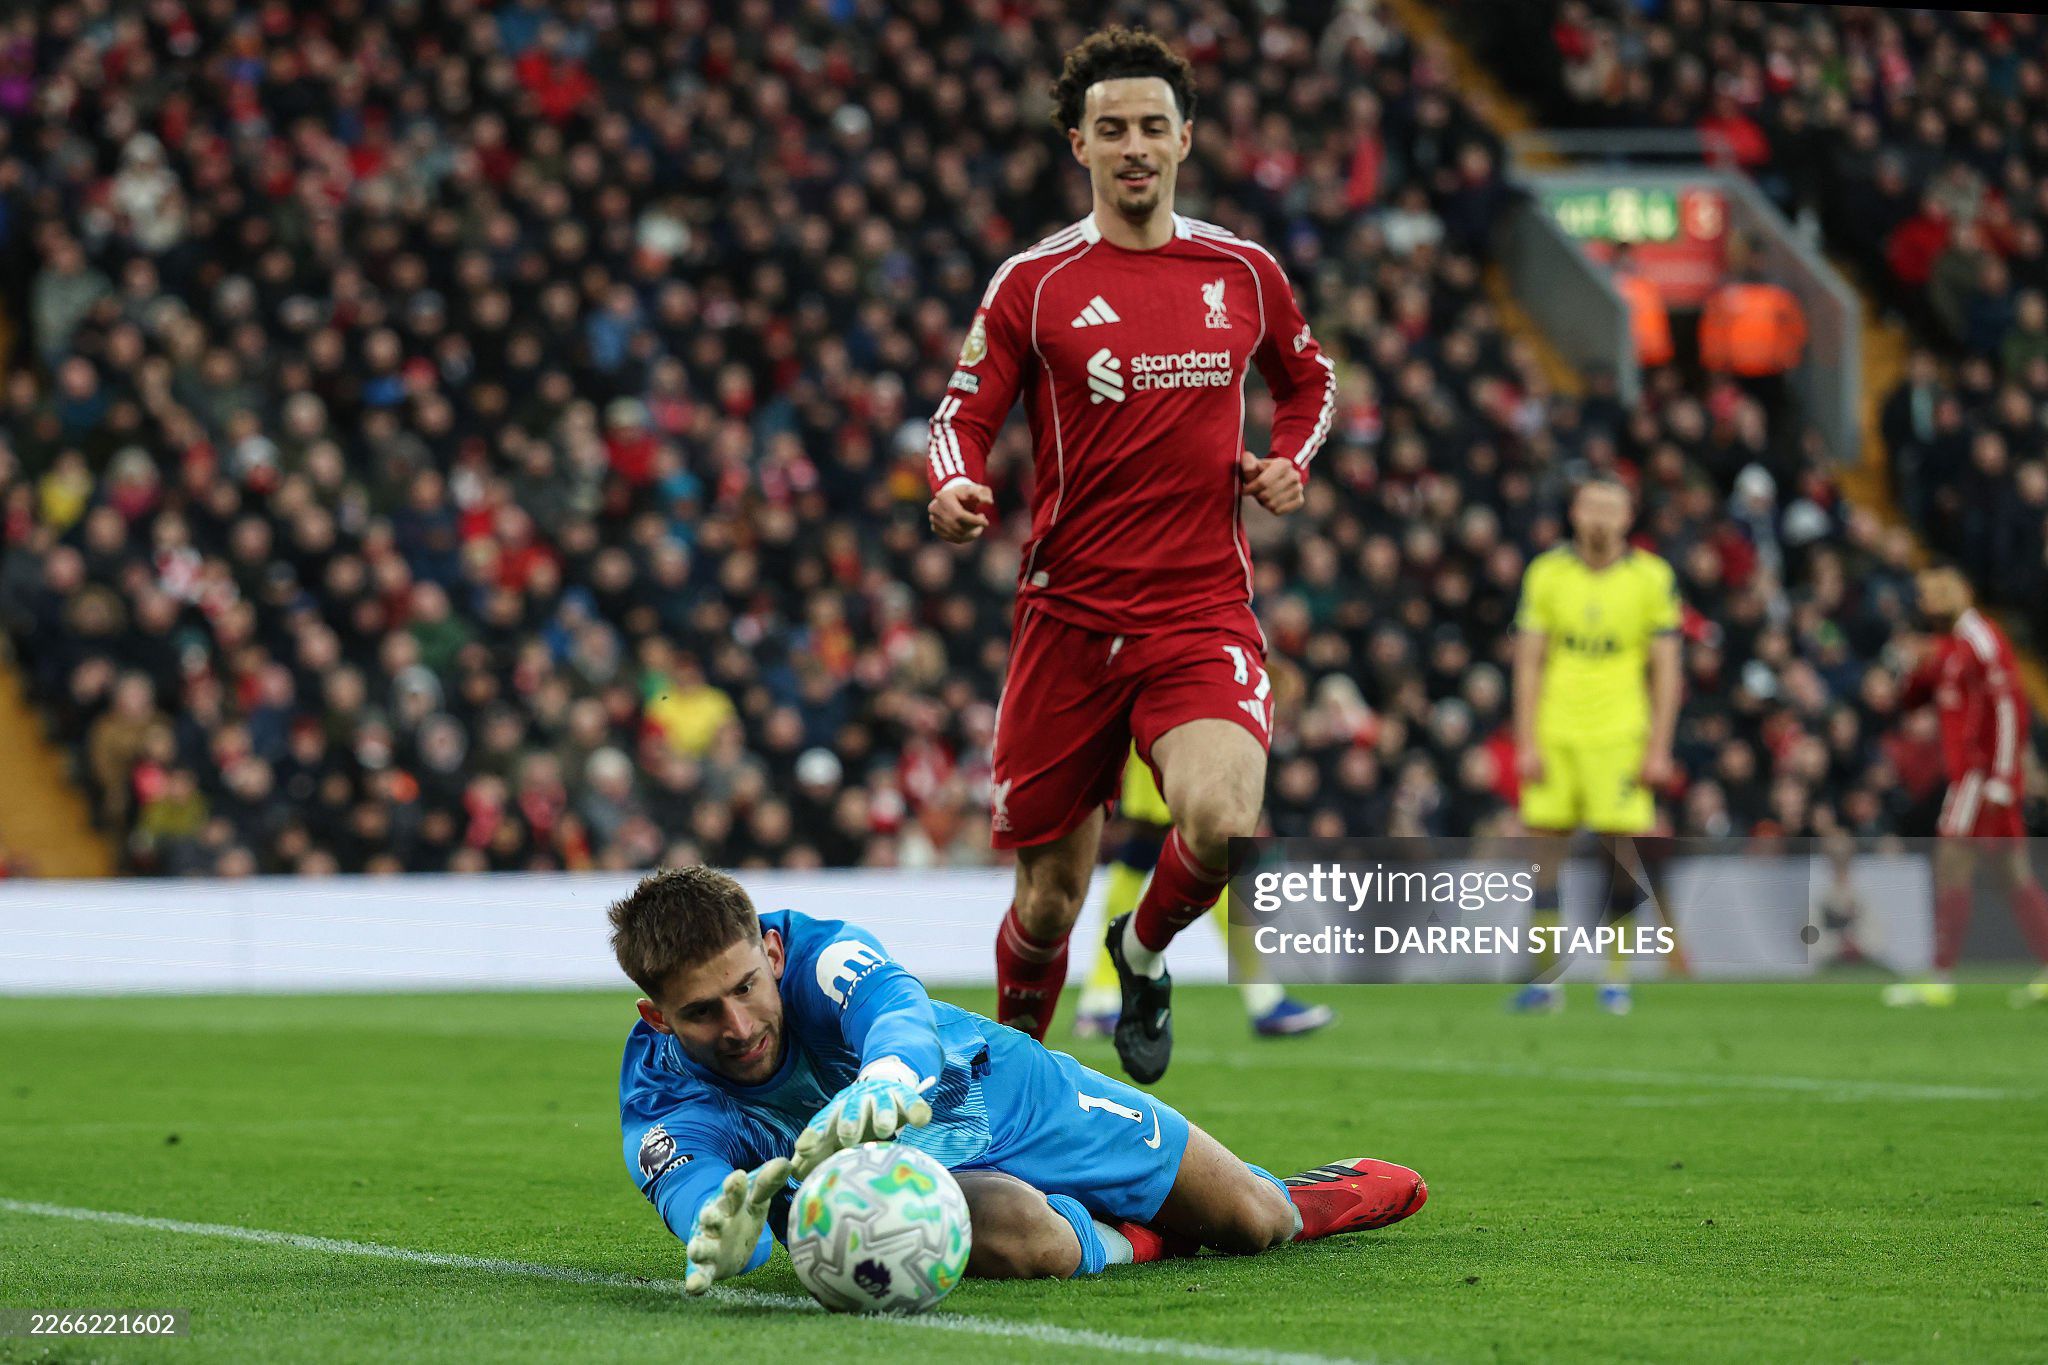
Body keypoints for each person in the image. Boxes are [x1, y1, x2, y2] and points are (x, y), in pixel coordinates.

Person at [925, 28, 1337, 1082]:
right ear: (1079, 145)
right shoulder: (1034, 283)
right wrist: (953, 481)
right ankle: (1013, 1092)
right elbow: (961, 415)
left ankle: (1143, 952)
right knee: (1046, 899)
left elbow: (1310, 381)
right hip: (1066, 621)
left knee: (1223, 821)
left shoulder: (1241, 271)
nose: (1135, 146)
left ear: (1186, 138)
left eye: (1154, 125)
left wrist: (1289, 460)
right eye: (1111, 129)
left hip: (1199, 611)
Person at [612, 867, 1426, 1294]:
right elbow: (700, 1196)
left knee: (1253, 1222)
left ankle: (1290, 1198)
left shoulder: (818, 953)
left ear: (771, 951)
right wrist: (724, 1227)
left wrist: (885, 1078)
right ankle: (1144, 1238)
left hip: (1002, 1090)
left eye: (747, 986)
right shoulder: (660, 1097)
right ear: (658, 1015)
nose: (739, 1025)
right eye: (702, 1012)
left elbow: (894, 1010)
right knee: (1019, 1234)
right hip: (913, 1176)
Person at [1509, 475, 1684, 1015]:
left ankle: (1616, 978)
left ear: (1628, 517)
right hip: (1556, 731)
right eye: (1591, 506)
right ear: (1575, 513)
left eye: (1611, 507)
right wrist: (1525, 740)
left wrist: (1659, 748)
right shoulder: (1546, 573)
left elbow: (1667, 670)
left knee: (1622, 855)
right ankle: (1547, 981)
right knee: (1544, 855)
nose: (1600, 517)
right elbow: (1529, 662)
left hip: (1620, 735)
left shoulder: (1652, 577)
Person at [1074, 750, 1335, 1039]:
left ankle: (1099, 998)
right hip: (1168, 760)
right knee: (1201, 867)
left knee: (1151, 864)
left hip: (1170, 762)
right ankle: (1264, 999)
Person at [1883, 567, 2048, 1008]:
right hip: (1974, 775)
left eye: (1933, 595)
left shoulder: (1981, 640)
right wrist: (1910, 668)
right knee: (2011, 873)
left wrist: (2002, 778)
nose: (1927, 604)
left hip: (1981, 776)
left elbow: (2010, 708)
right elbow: (1915, 699)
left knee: (1951, 861)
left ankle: (1940, 975)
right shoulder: (1951, 647)